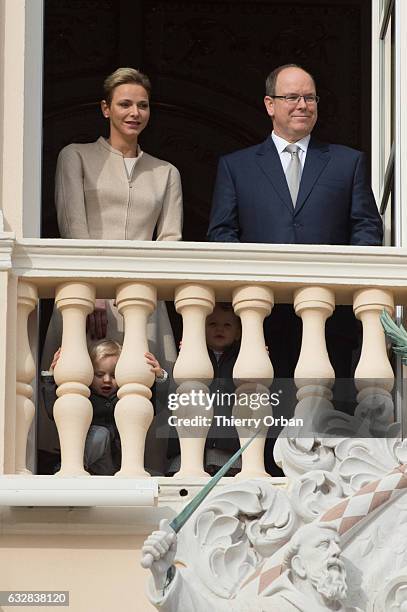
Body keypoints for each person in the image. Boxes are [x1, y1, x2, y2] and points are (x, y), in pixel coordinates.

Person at [39, 67, 182, 466]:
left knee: (148, 401)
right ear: (106, 108)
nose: (134, 112)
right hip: (87, 301)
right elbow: (74, 230)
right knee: (78, 400)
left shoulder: (166, 172)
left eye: (142, 105)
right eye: (124, 104)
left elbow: (170, 241)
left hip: (145, 304)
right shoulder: (76, 156)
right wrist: (95, 293)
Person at [207, 63, 383, 386]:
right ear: (269, 104)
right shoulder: (237, 166)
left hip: (331, 315)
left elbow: (366, 230)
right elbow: (222, 235)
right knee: (264, 417)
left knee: (327, 421)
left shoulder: (347, 162)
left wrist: (348, 283)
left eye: (310, 98)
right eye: (292, 97)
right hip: (261, 318)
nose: (303, 105)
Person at [142, 521, 360, 611]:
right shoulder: (266, 609)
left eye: (337, 545)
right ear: (299, 565)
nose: (336, 551)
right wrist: (164, 575)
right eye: (324, 545)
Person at [41, 340, 166, 475]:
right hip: (89, 461)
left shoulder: (127, 397)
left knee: (158, 477)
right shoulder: (83, 397)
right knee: (100, 433)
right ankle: (72, 464)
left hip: (117, 464)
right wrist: (51, 377)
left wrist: (159, 377)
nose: (107, 380)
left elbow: (155, 406)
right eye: (99, 375)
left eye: (113, 375)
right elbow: (54, 411)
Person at [166, 303, 242, 476]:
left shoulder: (240, 360)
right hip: (189, 449)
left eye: (227, 325)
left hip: (227, 447)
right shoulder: (189, 356)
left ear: (238, 333)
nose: (219, 329)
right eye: (212, 324)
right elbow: (172, 391)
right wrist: (161, 375)